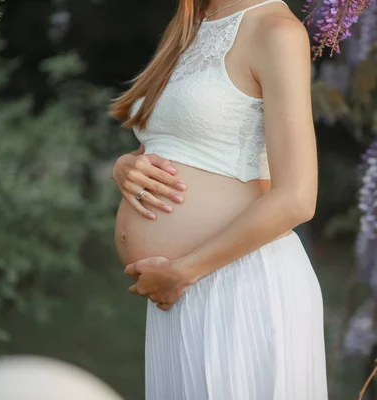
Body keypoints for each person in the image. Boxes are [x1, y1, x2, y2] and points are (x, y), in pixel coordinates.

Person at [110, 0, 328, 398]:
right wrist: (126, 166)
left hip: (237, 285)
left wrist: (184, 271)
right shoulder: (192, 23)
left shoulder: (276, 31)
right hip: (176, 291)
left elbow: (297, 198)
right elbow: (184, 144)